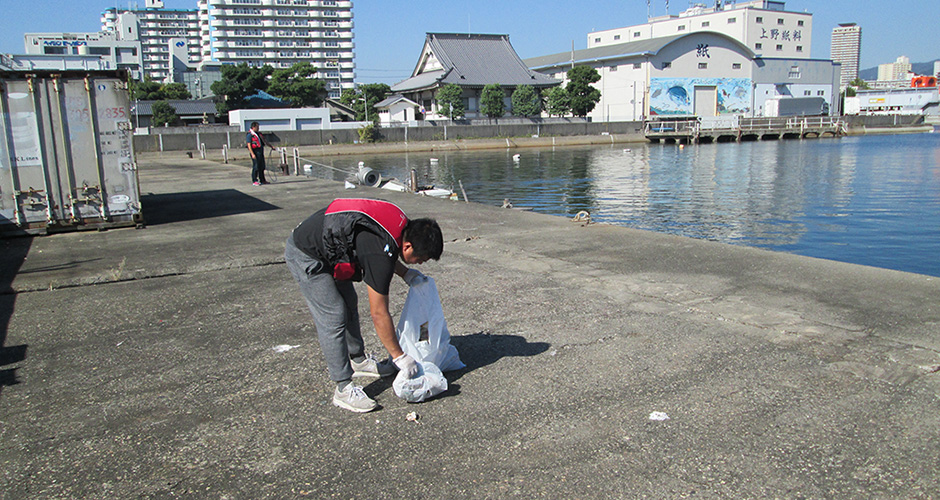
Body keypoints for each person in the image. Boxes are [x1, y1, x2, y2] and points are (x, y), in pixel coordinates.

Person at [285, 198, 444, 412]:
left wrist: (405, 272)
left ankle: (358, 360)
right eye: (421, 259)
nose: (421, 263)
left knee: (349, 302)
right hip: (306, 253)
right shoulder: (379, 252)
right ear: (407, 246)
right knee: (334, 315)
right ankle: (343, 388)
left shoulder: (401, 224)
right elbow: (379, 313)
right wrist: (400, 356)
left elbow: (385, 248)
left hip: (331, 246)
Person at [246, 122, 277, 186]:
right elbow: (249, 145)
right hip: (255, 152)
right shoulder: (250, 135)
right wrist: (252, 154)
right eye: (257, 127)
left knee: (262, 166)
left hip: (260, 151)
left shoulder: (258, 134)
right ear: (253, 127)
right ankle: (254, 180)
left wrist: (271, 146)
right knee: (256, 166)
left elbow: (265, 141)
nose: (258, 128)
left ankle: (262, 180)